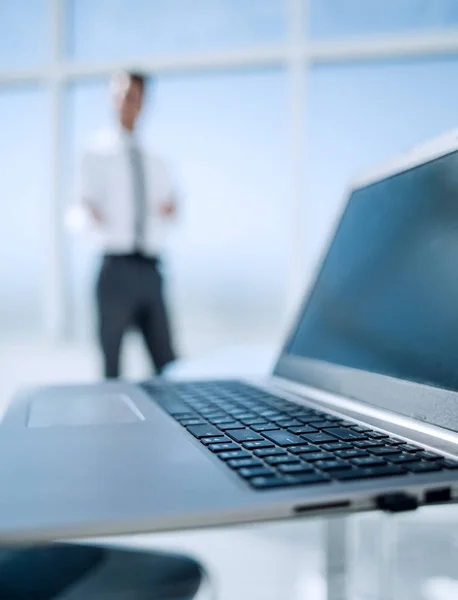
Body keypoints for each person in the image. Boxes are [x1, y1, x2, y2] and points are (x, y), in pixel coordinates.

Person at [79, 71, 177, 378]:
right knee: (111, 367)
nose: (126, 102)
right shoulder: (94, 153)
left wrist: (173, 209)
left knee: (168, 364)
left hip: (150, 268)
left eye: (133, 96)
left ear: (143, 102)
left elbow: (172, 206)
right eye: (120, 95)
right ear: (111, 99)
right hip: (114, 270)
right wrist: (88, 215)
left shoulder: (156, 160)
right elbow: (78, 205)